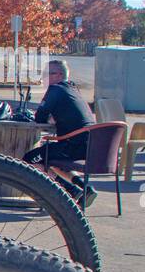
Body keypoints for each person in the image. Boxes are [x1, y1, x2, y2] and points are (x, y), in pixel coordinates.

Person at [22, 59, 97, 204]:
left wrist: (49, 117)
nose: (44, 77)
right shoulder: (73, 88)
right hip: (86, 145)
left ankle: (71, 190)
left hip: (73, 145)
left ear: (59, 74)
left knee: (28, 160)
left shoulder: (56, 89)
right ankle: (85, 188)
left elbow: (39, 117)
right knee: (51, 159)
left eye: (47, 74)